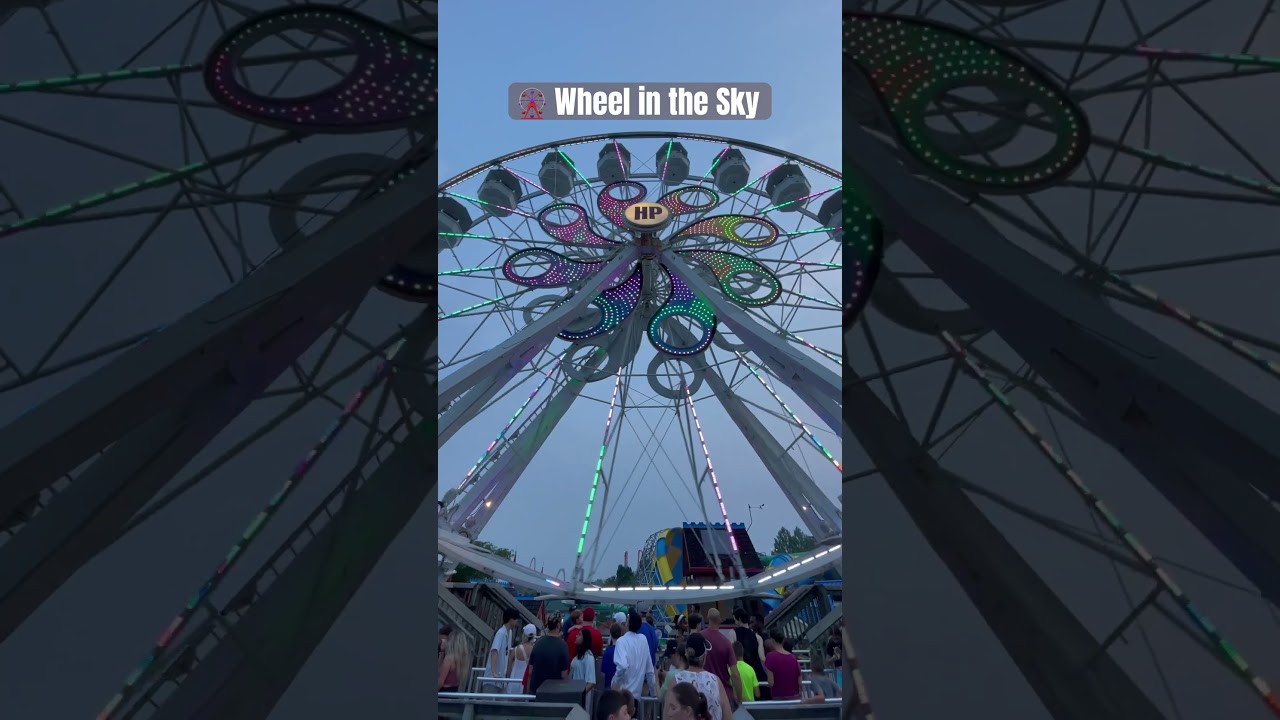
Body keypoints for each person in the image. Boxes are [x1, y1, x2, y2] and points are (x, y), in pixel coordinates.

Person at [669, 633, 732, 720]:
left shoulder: (675, 680)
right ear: (704, 657)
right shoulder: (715, 681)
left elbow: (667, 716)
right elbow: (728, 717)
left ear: (686, 655)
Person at [611, 610, 657, 697]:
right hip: (637, 694)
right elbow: (650, 669)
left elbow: (622, 666)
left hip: (623, 692)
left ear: (628, 623)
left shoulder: (621, 641)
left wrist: (616, 682)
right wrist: (653, 692)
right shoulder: (643, 640)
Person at [702, 608, 741, 707]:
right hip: (723, 693)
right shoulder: (726, 642)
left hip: (703, 692)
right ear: (719, 620)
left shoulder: (699, 638)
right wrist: (739, 698)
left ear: (708, 618)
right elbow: (735, 674)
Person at [528, 615, 571, 695]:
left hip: (535, 690)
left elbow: (530, 671)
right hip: (554, 692)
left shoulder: (538, 643)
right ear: (558, 625)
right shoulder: (563, 646)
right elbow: (564, 674)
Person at [486, 607, 522, 692]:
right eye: (515, 619)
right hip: (492, 680)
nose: (517, 621)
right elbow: (494, 651)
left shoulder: (509, 633)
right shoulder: (500, 633)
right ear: (511, 619)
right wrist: (494, 673)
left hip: (501, 679)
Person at [763, 629, 802, 701]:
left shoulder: (770, 656)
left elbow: (771, 682)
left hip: (779, 698)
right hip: (795, 698)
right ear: (783, 640)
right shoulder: (793, 658)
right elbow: (799, 681)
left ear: (772, 640)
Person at [570, 628, 598, 707]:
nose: (576, 636)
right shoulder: (578, 656)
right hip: (574, 693)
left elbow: (591, 681)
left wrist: (580, 695)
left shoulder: (588, 656)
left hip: (581, 699)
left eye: (579, 635)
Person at [508, 624, 537, 695]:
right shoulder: (535, 651)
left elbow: (509, 669)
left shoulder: (515, 650)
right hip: (526, 684)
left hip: (513, 682)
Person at [601, 624, 623, 689]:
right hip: (621, 686)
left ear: (611, 634)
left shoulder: (608, 651)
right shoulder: (623, 650)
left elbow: (603, 673)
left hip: (609, 685)